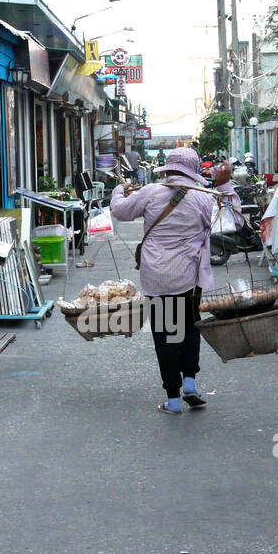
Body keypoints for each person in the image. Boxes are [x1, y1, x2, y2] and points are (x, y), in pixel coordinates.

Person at [111, 147, 216, 414]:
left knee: (166, 335)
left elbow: (121, 212)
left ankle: (172, 399)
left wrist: (118, 191)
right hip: (190, 275)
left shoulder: (151, 192)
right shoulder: (204, 198)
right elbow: (213, 225)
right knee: (191, 328)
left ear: (168, 169)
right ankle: (190, 381)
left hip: (158, 275)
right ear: (192, 171)